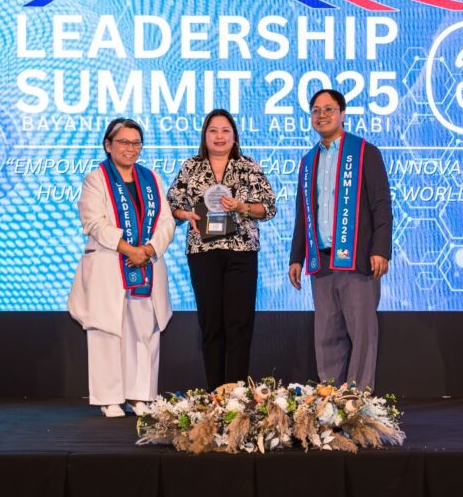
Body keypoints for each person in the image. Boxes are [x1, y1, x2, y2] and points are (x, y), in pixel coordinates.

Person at [68, 118, 176, 417]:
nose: (131, 148)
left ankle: (140, 395)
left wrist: (148, 250)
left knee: (144, 329)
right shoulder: (96, 179)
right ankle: (109, 397)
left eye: (136, 143)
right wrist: (130, 250)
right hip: (109, 263)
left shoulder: (152, 178)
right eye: (124, 142)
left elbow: (167, 222)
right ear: (108, 145)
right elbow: (94, 222)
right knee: (107, 328)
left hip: (146, 266)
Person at [289, 89, 393, 391]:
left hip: (357, 260)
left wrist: (381, 249)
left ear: (342, 114)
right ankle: (331, 401)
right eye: (316, 110)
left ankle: (359, 402)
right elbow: (303, 212)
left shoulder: (365, 152)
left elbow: (381, 205)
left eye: (328, 109)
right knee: (326, 337)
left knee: (362, 334)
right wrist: (296, 257)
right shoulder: (308, 161)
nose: (321, 115)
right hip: (321, 261)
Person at [167, 109, 277, 390]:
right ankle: (215, 394)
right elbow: (172, 205)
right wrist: (185, 214)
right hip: (203, 253)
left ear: (234, 136)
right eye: (213, 130)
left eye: (225, 130)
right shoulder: (191, 167)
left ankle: (236, 394)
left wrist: (242, 207)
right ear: (204, 135)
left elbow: (268, 208)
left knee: (238, 325)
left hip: (241, 252)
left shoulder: (248, 166)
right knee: (211, 325)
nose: (219, 136)